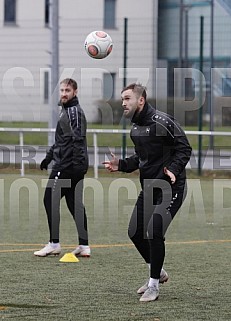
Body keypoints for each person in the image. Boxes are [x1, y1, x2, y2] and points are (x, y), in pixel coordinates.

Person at [103, 83, 192, 302]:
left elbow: (184, 148)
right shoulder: (135, 129)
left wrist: (172, 169)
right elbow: (141, 160)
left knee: (154, 231)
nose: (123, 103)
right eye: (122, 99)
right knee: (135, 231)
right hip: (150, 188)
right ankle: (158, 271)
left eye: (127, 99)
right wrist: (121, 164)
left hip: (171, 187)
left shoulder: (163, 122)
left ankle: (153, 286)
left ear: (140, 100)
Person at [34, 78, 90, 257]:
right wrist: (48, 158)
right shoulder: (66, 111)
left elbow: (77, 140)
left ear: (75, 92)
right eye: (62, 90)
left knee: (49, 199)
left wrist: (69, 165)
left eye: (68, 90)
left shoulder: (73, 112)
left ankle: (54, 244)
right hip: (74, 165)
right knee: (74, 204)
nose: (64, 93)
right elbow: (61, 141)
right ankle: (84, 246)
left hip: (68, 165)